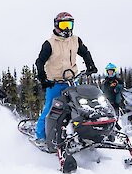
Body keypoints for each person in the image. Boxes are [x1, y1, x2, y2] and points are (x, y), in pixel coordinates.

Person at [34, 12, 97, 145]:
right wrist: (43, 79)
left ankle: (80, 133)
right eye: (64, 25)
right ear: (57, 26)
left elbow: (85, 52)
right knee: (50, 109)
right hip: (54, 83)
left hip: (72, 81)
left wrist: (90, 65)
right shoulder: (49, 44)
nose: (67, 28)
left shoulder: (75, 40)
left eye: (70, 24)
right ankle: (40, 136)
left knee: (79, 107)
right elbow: (39, 62)